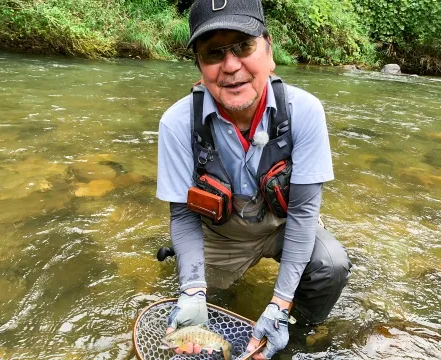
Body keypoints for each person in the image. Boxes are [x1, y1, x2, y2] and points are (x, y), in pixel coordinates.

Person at [155, 0, 352, 358]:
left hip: (281, 226)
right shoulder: (177, 123)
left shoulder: (304, 112)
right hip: (220, 235)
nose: (231, 66)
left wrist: (279, 303)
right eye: (213, 53)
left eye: (243, 46)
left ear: (268, 50)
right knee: (200, 316)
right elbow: (183, 216)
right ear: (200, 66)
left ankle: (294, 335)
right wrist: (193, 290)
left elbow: (305, 212)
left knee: (330, 266)